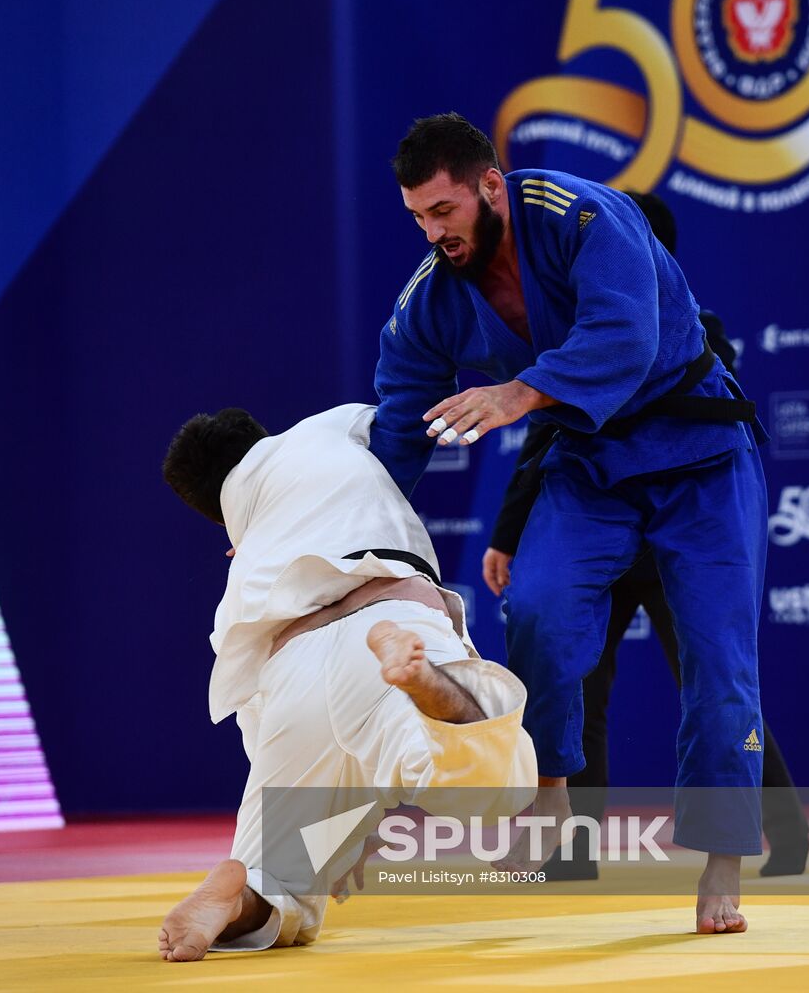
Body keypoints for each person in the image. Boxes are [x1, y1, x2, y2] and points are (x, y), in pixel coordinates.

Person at [370, 113, 768, 934]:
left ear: (489, 186)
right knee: (540, 612)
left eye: (443, 211)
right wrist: (340, 534)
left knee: (720, 665)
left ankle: (722, 855)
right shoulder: (433, 299)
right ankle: (551, 785)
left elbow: (628, 334)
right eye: (416, 216)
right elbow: (399, 431)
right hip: (591, 472)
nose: (432, 231)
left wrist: (516, 394)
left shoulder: (579, 211)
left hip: (698, 456)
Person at [482, 192, 809, 881]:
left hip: (681, 534)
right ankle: (572, 851)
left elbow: (714, 426)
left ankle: (784, 830)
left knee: (716, 676)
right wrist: (510, 536)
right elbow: (546, 436)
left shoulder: (697, 329)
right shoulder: (572, 335)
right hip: (599, 527)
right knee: (579, 684)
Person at [157, 403, 537, 961]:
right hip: (389, 615)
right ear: (262, 434)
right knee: (488, 789)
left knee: (277, 880)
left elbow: (262, 723)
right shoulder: (324, 428)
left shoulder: (246, 562)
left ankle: (238, 904)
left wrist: (336, 826)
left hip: (289, 662)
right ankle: (428, 686)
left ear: (220, 521)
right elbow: (405, 408)